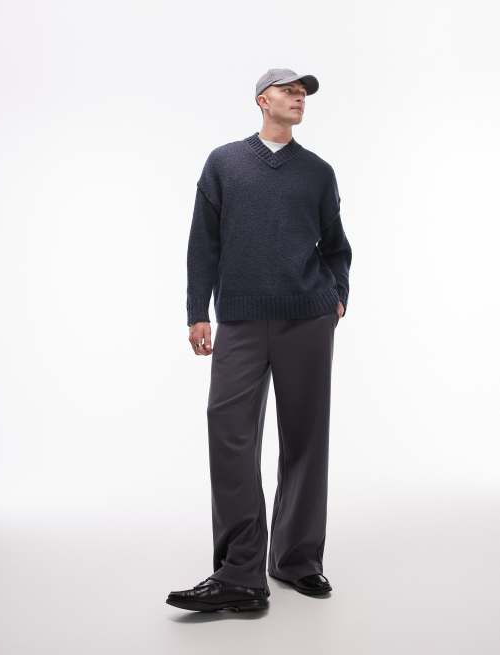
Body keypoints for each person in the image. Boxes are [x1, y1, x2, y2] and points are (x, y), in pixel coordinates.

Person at [166, 68, 352, 613]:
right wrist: (197, 311)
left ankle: (296, 559)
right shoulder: (224, 163)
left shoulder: (318, 172)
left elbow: (337, 246)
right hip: (241, 323)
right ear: (261, 100)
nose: (299, 98)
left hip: (307, 321)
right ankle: (240, 573)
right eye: (289, 91)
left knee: (305, 439)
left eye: (303, 93)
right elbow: (203, 242)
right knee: (229, 433)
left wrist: (337, 295)